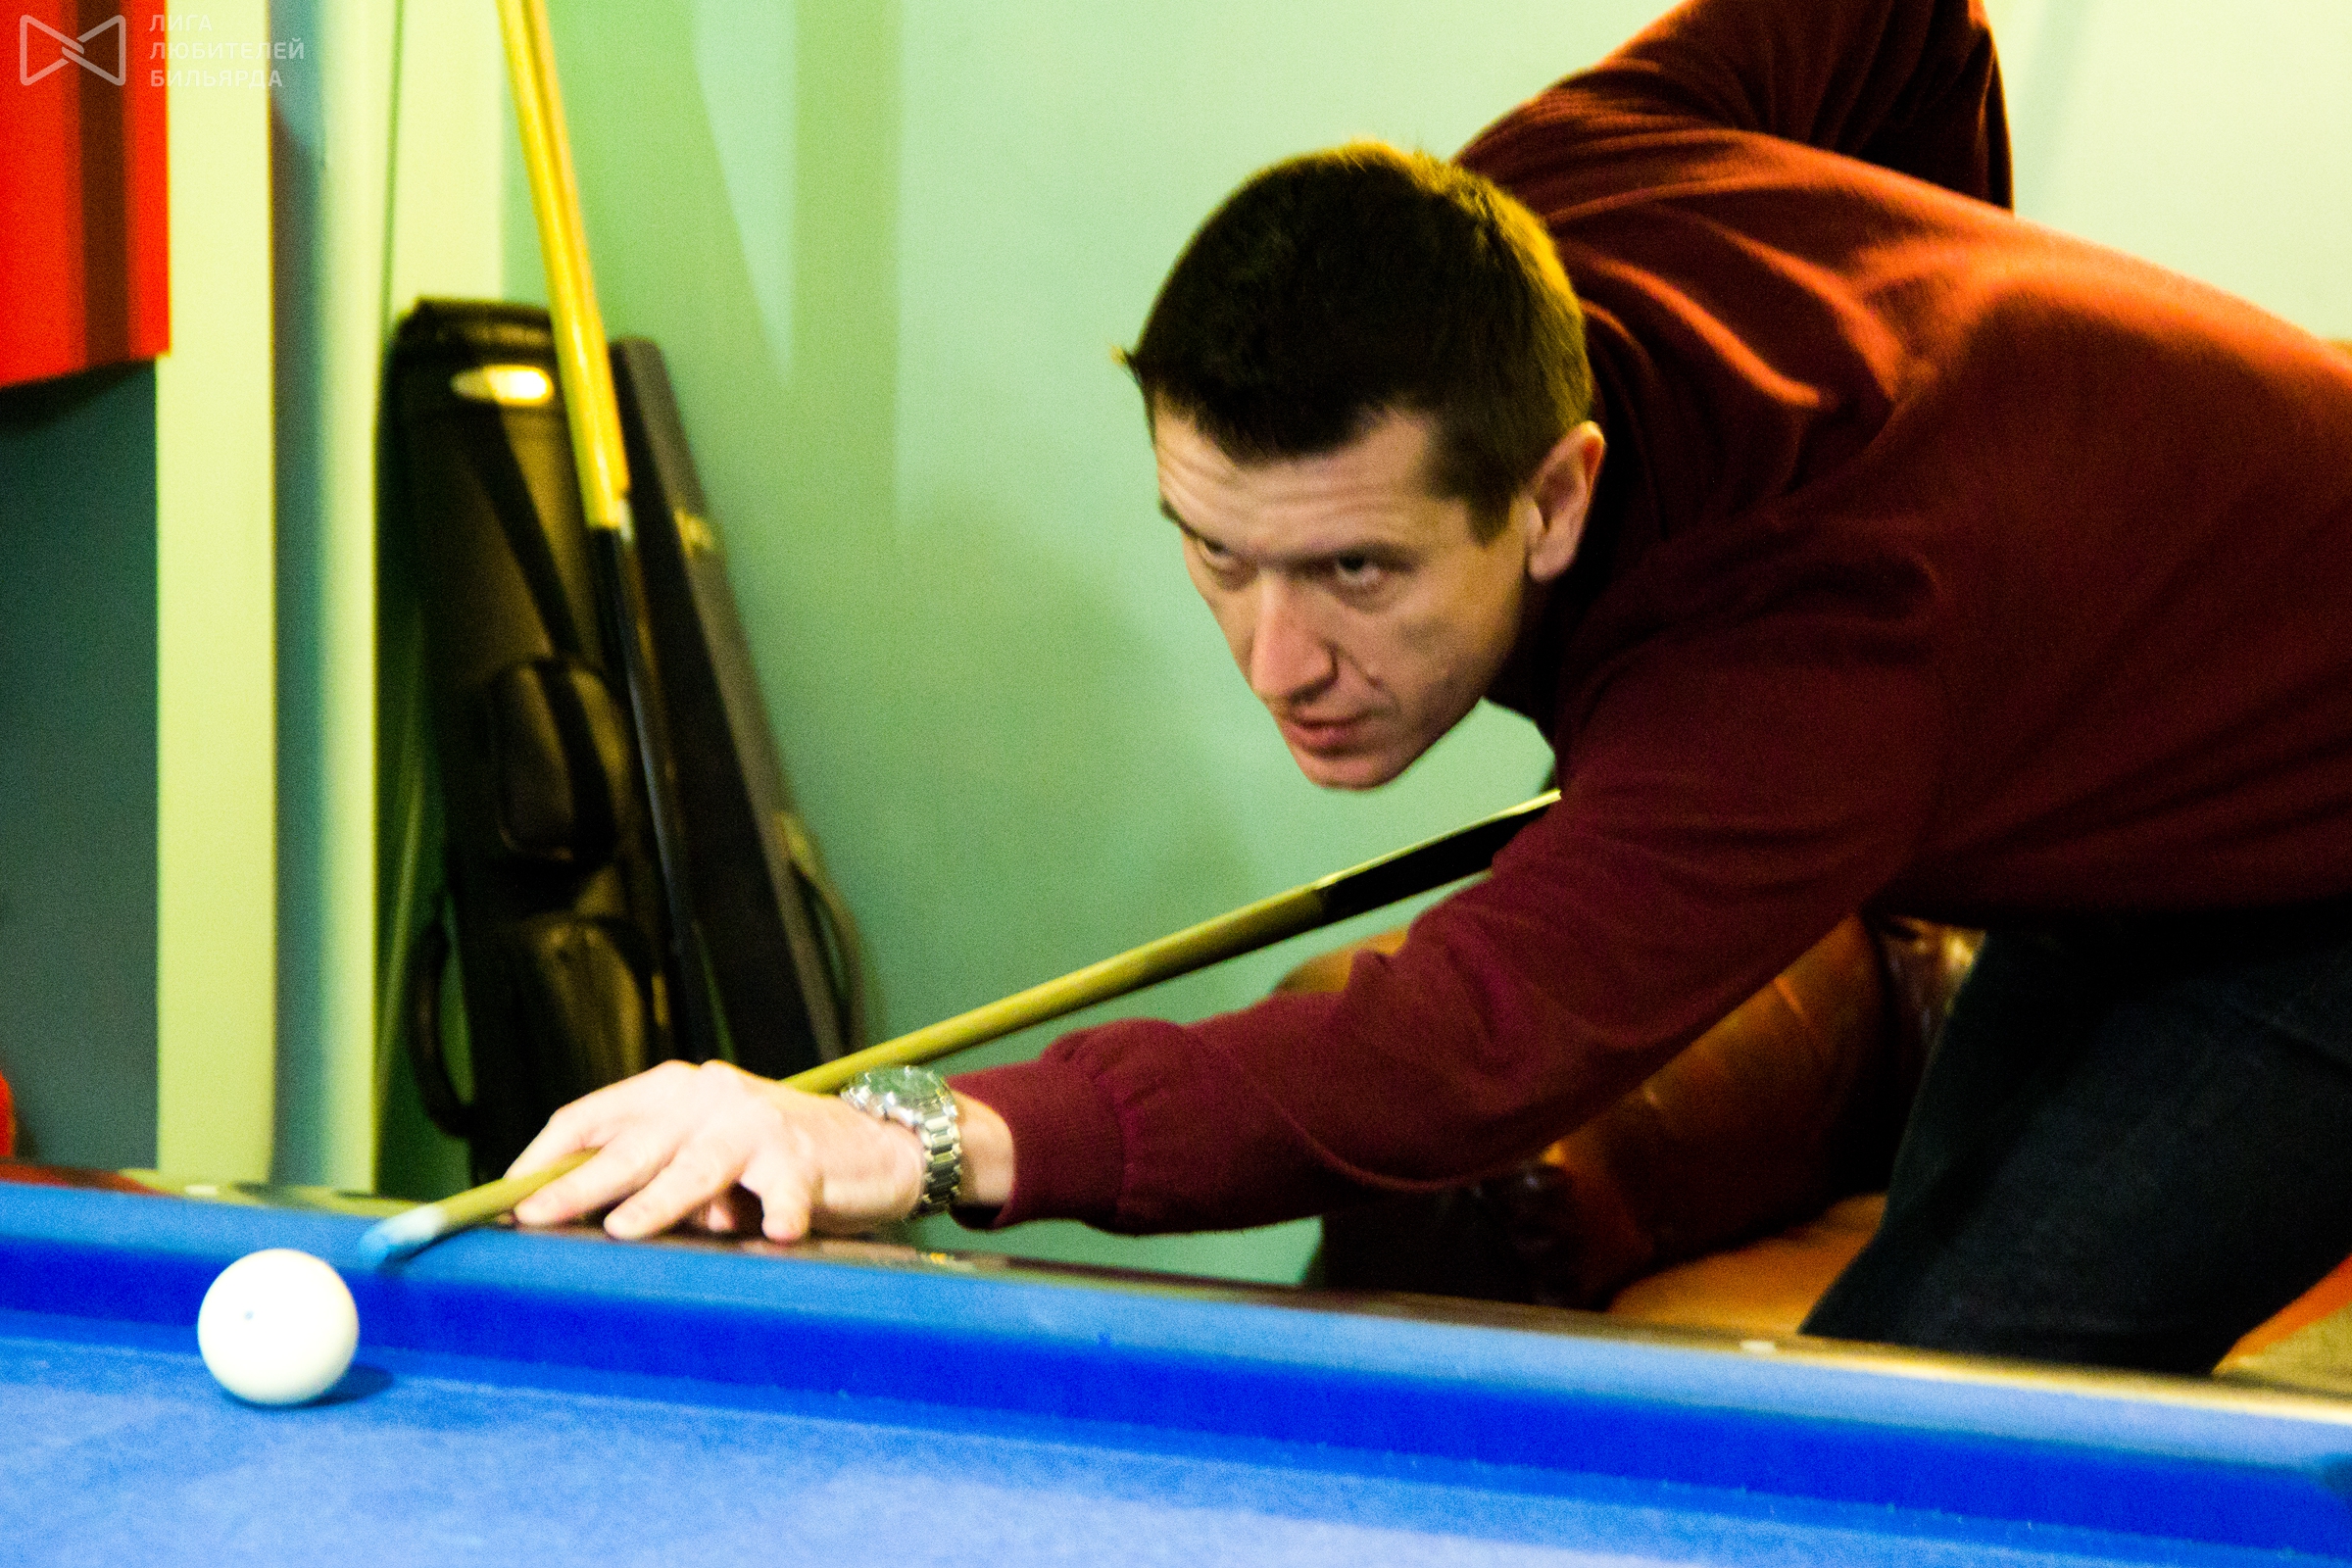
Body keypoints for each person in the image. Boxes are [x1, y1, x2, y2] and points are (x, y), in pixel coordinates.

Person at [510, 0, 2352, 1374]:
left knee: (1930, 1420)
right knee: (1905, 1373)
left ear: (1555, 498)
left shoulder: (1804, 649)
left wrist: (895, 1137)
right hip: (2175, 798)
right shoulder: (1544, 202)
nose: (1277, 661)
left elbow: (1451, 1052)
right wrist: (1932, 295)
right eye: (1215, 550)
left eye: (1356, 575)